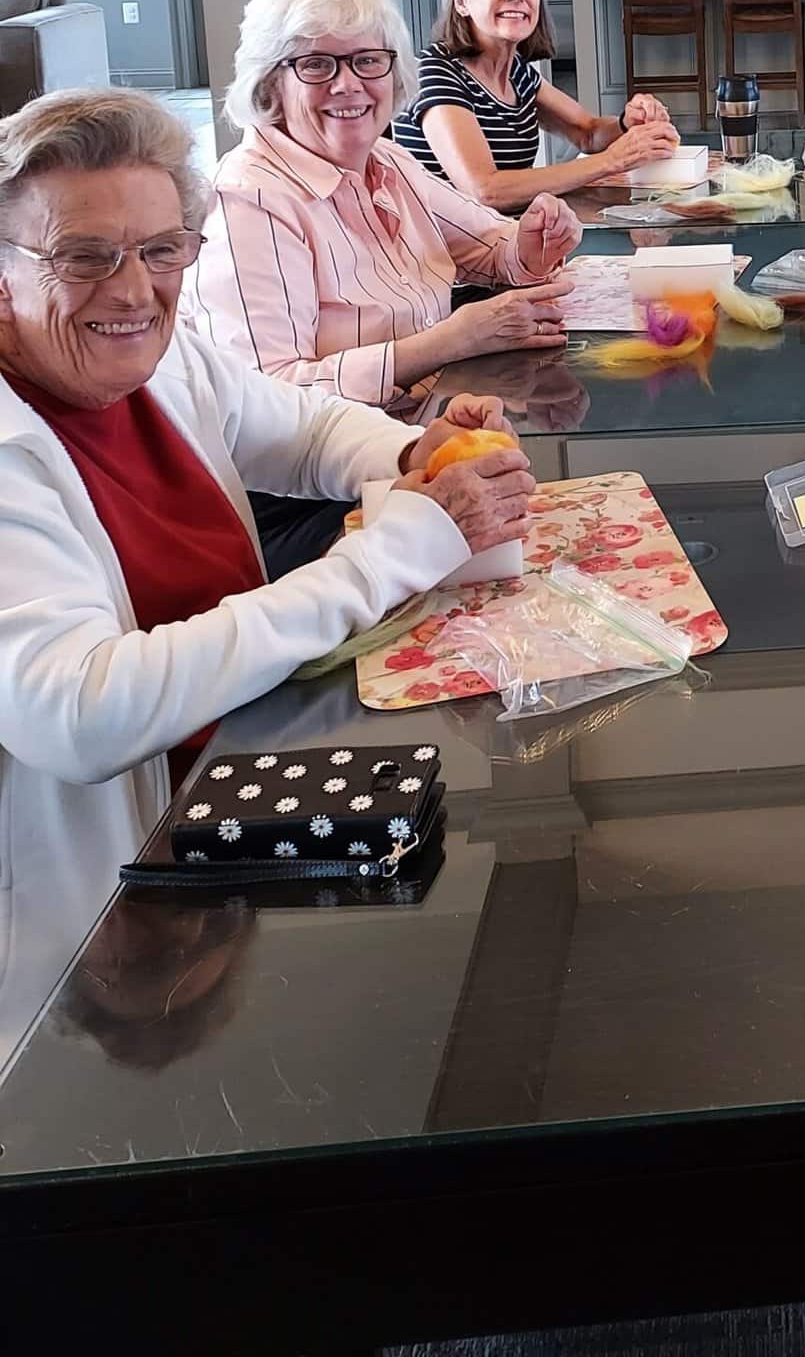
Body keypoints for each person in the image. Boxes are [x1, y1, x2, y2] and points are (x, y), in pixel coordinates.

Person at [0, 87, 531, 1064]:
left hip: (221, 802)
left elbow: (305, 427)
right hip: (79, 925)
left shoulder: (159, 360)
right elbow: (77, 715)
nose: (132, 290)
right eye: (84, 256)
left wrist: (413, 453)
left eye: (162, 250)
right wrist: (393, 550)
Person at [188, 0, 581, 412]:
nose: (348, 85)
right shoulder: (247, 200)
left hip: (428, 422)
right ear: (270, 82)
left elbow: (491, 245)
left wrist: (534, 243)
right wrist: (452, 340)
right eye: (316, 65)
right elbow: (264, 399)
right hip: (330, 467)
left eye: (367, 60)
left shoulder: (386, 161)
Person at [390, 0, 680, 209]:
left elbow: (588, 133)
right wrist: (614, 160)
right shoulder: (435, 72)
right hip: (443, 251)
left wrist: (626, 123)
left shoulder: (517, 72)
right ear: (461, 0)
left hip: (502, 239)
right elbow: (485, 190)